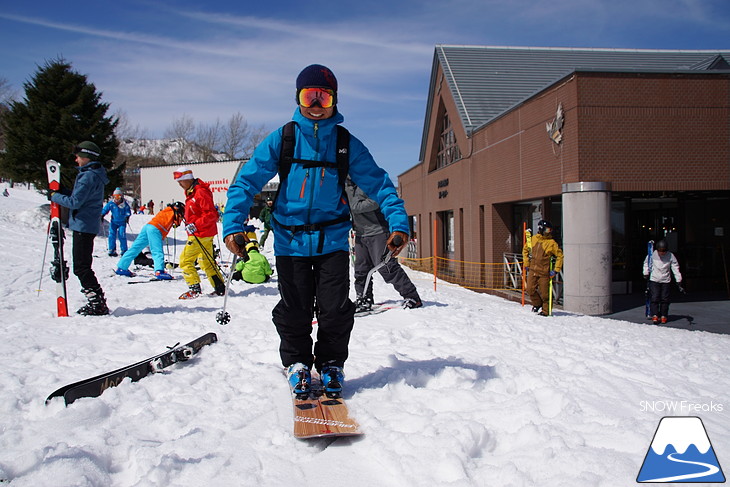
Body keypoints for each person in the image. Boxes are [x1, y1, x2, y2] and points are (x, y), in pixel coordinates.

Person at [222, 64, 409, 398]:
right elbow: (246, 181)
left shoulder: (345, 143)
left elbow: (380, 184)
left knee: (335, 307)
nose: (317, 104)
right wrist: (233, 224)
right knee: (294, 308)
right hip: (289, 241)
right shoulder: (284, 138)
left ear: (335, 101)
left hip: (333, 240)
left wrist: (398, 222)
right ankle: (296, 363)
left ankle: (331, 363)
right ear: (298, 98)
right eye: (310, 96)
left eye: (324, 97)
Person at [49, 141, 110, 315]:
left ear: (86, 156)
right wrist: (63, 191)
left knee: (81, 267)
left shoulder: (88, 176)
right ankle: (97, 301)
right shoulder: (93, 174)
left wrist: (55, 196)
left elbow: (75, 202)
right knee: (82, 265)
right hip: (86, 224)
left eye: (77, 156)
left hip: (83, 225)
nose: (76, 160)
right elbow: (79, 196)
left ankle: (97, 303)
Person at [345, 178, 422, 311]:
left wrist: (355, 206)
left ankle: (412, 297)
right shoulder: (344, 185)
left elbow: (378, 200)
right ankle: (363, 299)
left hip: (378, 231)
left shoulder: (368, 180)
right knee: (361, 269)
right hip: (360, 233)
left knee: (386, 266)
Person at [174, 167, 225, 299]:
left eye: (180, 181)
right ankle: (220, 288)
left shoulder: (200, 192)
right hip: (203, 232)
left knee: (185, 261)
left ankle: (194, 289)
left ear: (188, 179)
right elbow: (197, 211)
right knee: (206, 262)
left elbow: (211, 214)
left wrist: (195, 225)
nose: (179, 184)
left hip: (200, 233)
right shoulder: (192, 192)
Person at [115, 202, 184, 279]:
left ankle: (122, 267)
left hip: (148, 226)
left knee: (135, 248)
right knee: (157, 251)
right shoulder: (174, 211)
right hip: (156, 229)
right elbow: (178, 221)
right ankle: (159, 271)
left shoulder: (167, 210)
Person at [522, 219, 564, 316]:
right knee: (530, 290)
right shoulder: (533, 239)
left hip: (544, 272)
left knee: (545, 294)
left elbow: (559, 256)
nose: (549, 232)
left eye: (550, 230)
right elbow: (525, 251)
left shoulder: (551, 243)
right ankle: (537, 304)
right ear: (541, 229)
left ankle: (546, 311)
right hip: (533, 270)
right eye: (547, 230)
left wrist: (556, 270)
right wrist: (527, 264)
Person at [643, 239, 684, 324]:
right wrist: (646, 272)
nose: (662, 253)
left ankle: (663, 315)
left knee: (665, 299)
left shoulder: (670, 256)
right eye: (660, 251)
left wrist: (678, 279)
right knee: (655, 297)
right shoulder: (652, 255)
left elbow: (675, 267)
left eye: (664, 251)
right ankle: (654, 314)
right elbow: (647, 263)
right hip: (654, 279)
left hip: (666, 280)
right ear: (657, 250)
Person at [101, 187, 132, 257]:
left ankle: (124, 250)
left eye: (118, 196)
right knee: (111, 235)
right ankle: (112, 249)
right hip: (113, 222)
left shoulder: (124, 204)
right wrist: (102, 214)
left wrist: (127, 216)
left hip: (122, 222)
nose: (117, 199)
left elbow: (128, 211)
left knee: (122, 235)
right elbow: (105, 209)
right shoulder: (112, 204)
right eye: (115, 196)